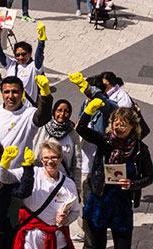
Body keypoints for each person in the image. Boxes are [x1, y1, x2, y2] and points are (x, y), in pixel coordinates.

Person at [76, 103, 153, 249]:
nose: (118, 128)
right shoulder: (105, 140)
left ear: (132, 126)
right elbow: (81, 129)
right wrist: (88, 111)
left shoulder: (140, 149)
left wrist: (133, 184)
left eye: (123, 125)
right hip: (100, 200)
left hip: (122, 204)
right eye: (115, 124)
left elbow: (150, 176)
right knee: (96, 245)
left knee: (123, 245)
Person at [0, 140, 80, 249]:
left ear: (61, 158)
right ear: (41, 159)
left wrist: (66, 220)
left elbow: (75, 212)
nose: (50, 161)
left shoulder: (69, 184)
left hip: (57, 241)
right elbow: (4, 177)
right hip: (30, 241)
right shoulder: (32, 173)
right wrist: (4, 164)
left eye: (54, 157)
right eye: (46, 158)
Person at [69, 72, 118, 247]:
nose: (87, 96)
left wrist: (91, 92)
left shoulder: (109, 106)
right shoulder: (86, 103)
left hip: (100, 166)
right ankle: (89, 240)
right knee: (86, 207)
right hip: (84, 163)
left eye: (90, 91)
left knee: (99, 210)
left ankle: (95, 240)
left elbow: (109, 108)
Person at [0, 75, 52, 169]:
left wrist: (45, 96)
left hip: (16, 175)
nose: (10, 96)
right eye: (6, 92)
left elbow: (43, 116)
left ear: (22, 93)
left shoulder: (29, 113)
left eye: (15, 92)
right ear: (2, 93)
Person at [33, 99, 82, 192]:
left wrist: (77, 188)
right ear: (54, 111)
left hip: (64, 184)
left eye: (66, 111)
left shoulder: (72, 133)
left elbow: (77, 163)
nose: (62, 114)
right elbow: (35, 154)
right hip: (42, 182)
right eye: (59, 110)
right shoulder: (43, 129)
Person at [0, 21, 46, 107]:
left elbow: (39, 55)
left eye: (24, 54)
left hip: (28, 109)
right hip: (11, 108)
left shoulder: (34, 66)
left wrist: (41, 41)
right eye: (17, 55)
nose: (21, 57)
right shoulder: (11, 64)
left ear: (30, 53)